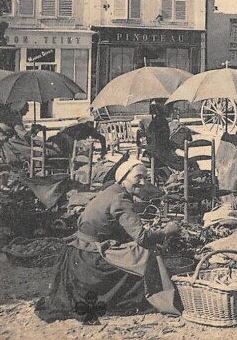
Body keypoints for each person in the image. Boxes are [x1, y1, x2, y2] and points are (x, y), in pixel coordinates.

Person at [35, 160, 181, 322]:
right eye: (138, 177)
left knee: (133, 250)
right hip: (91, 258)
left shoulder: (111, 190)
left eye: (146, 178)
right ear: (124, 178)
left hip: (78, 251)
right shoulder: (121, 199)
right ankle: (155, 296)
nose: (143, 182)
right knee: (147, 254)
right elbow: (142, 237)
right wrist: (167, 230)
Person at [140, 102, 183, 175]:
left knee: (182, 161)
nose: (171, 110)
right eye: (169, 108)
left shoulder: (158, 120)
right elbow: (160, 141)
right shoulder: (161, 121)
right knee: (183, 163)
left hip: (155, 151)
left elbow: (162, 139)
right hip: (159, 153)